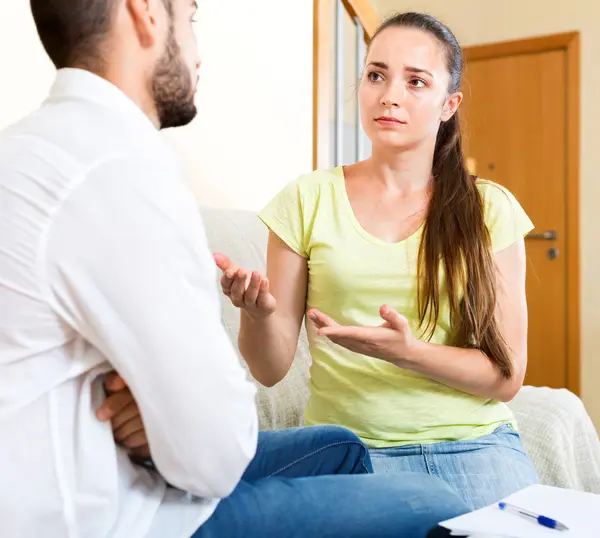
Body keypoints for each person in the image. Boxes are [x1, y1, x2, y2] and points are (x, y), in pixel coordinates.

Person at [0, 1, 469, 538]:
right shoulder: (123, 174)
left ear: (447, 103)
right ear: (146, 12)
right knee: (432, 499)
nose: (198, 51)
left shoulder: (26, 147)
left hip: (101, 462)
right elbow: (217, 452)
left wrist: (160, 407)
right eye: (191, 19)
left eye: (415, 82)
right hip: (115, 512)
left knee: (339, 447)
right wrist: (171, 415)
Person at [212, 11, 541, 511]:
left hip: (475, 444)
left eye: (416, 81)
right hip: (348, 450)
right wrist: (256, 315)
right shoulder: (307, 199)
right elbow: (270, 368)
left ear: (448, 104)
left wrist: (409, 352)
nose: (390, 94)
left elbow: (507, 376)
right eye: (376, 75)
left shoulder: (489, 208)